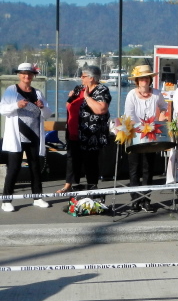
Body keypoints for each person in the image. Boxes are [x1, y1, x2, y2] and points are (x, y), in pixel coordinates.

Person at [1, 63, 53, 212]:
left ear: (33, 76)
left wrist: (42, 107)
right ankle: (6, 200)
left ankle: (37, 197)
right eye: (23, 74)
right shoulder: (12, 90)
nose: (26, 76)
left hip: (34, 135)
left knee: (35, 167)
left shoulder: (38, 93)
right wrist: (17, 105)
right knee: (14, 168)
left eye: (29, 74)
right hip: (17, 136)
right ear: (19, 75)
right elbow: (2, 109)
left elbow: (48, 113)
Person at [57, 65, 111, 194]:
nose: (81, 77)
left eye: (83, 76)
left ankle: (92, 187)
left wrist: (87, 97)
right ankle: (69, 185)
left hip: (91, 133)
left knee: (90, 161)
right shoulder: (79, 88)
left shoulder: (102, 90)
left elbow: (101, 109)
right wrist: (70, 97)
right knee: (72, 159)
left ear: (91, 78)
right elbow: (68, 105)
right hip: (73, 129)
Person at [124, 64, 169, 212]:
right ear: (137, 81)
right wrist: (141, 127)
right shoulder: (131, 95)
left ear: (150, 79)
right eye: (141, 78)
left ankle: (146, 199)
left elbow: (164, 107)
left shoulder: (157, 94)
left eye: (147, 78)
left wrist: (162, 115)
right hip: (135, 134)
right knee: (134, 169)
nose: (144, 80)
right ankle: (135, 200)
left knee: (148, 168)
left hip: (151, 134)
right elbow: (129, 116)